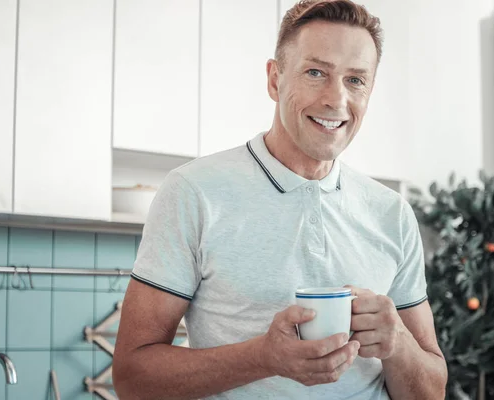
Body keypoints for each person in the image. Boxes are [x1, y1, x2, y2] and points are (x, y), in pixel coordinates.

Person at [113, 0, 448, 398]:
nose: (336, 99)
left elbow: (431, 391)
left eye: (355, 80)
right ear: (275, 79)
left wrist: (399, 345)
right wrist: (264, 358)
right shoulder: (193, 192)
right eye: (315, 72)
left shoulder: (393, 214)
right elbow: (132, 378)